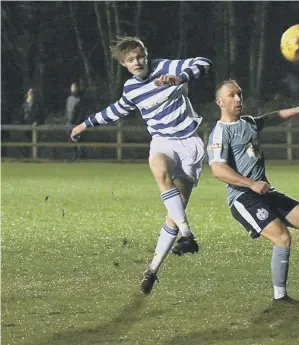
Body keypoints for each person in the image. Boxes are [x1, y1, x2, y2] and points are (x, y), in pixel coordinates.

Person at [70, 36, 212, 295]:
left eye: (139, 56)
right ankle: (188, 236)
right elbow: (116, 110)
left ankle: (153, 269)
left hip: (190, 143)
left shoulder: (166, 67)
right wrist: (85, 124)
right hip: (162, 142)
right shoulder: (130, 89)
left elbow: (204, 62)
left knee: (173, 213)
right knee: (159, 169)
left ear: (146, 55)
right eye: (130, 60)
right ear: (124, 64)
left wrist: (181, 77)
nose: (137, 62)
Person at [207, 79, 299, 302]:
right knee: (282, 238)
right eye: (231, 95)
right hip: (243, 197)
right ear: (220, 101)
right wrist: (251, 183)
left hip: (264, 192)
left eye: (239, 94)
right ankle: (280, 297)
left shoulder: (248, 122)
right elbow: (218, 170)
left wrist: (298, 110)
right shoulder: (220, 133)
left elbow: (271, 118)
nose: (238, 99)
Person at [19, 88, 43, 157]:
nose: (31, 95)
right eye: (30, 93)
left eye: (32, 93)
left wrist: (37, 122)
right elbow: (21, 116)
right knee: (25, 144)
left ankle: (36, 158)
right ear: (28, 95)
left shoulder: (37, 105)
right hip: (25, 128)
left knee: (36, 144)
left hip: (35, 128)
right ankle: (26, 158)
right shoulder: (23, 105)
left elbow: (41, 116)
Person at [66, 82, 86, 160]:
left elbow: (81, 112)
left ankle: (80, 155)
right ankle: (74, 155)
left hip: (77, 124)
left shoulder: (80, 99)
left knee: (78, 140)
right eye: (72, 87)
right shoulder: (69, 99)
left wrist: (77, 122)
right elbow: (67, 111)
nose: (74, 89)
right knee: (71, 140)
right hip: (69, 124)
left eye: (75, 88)